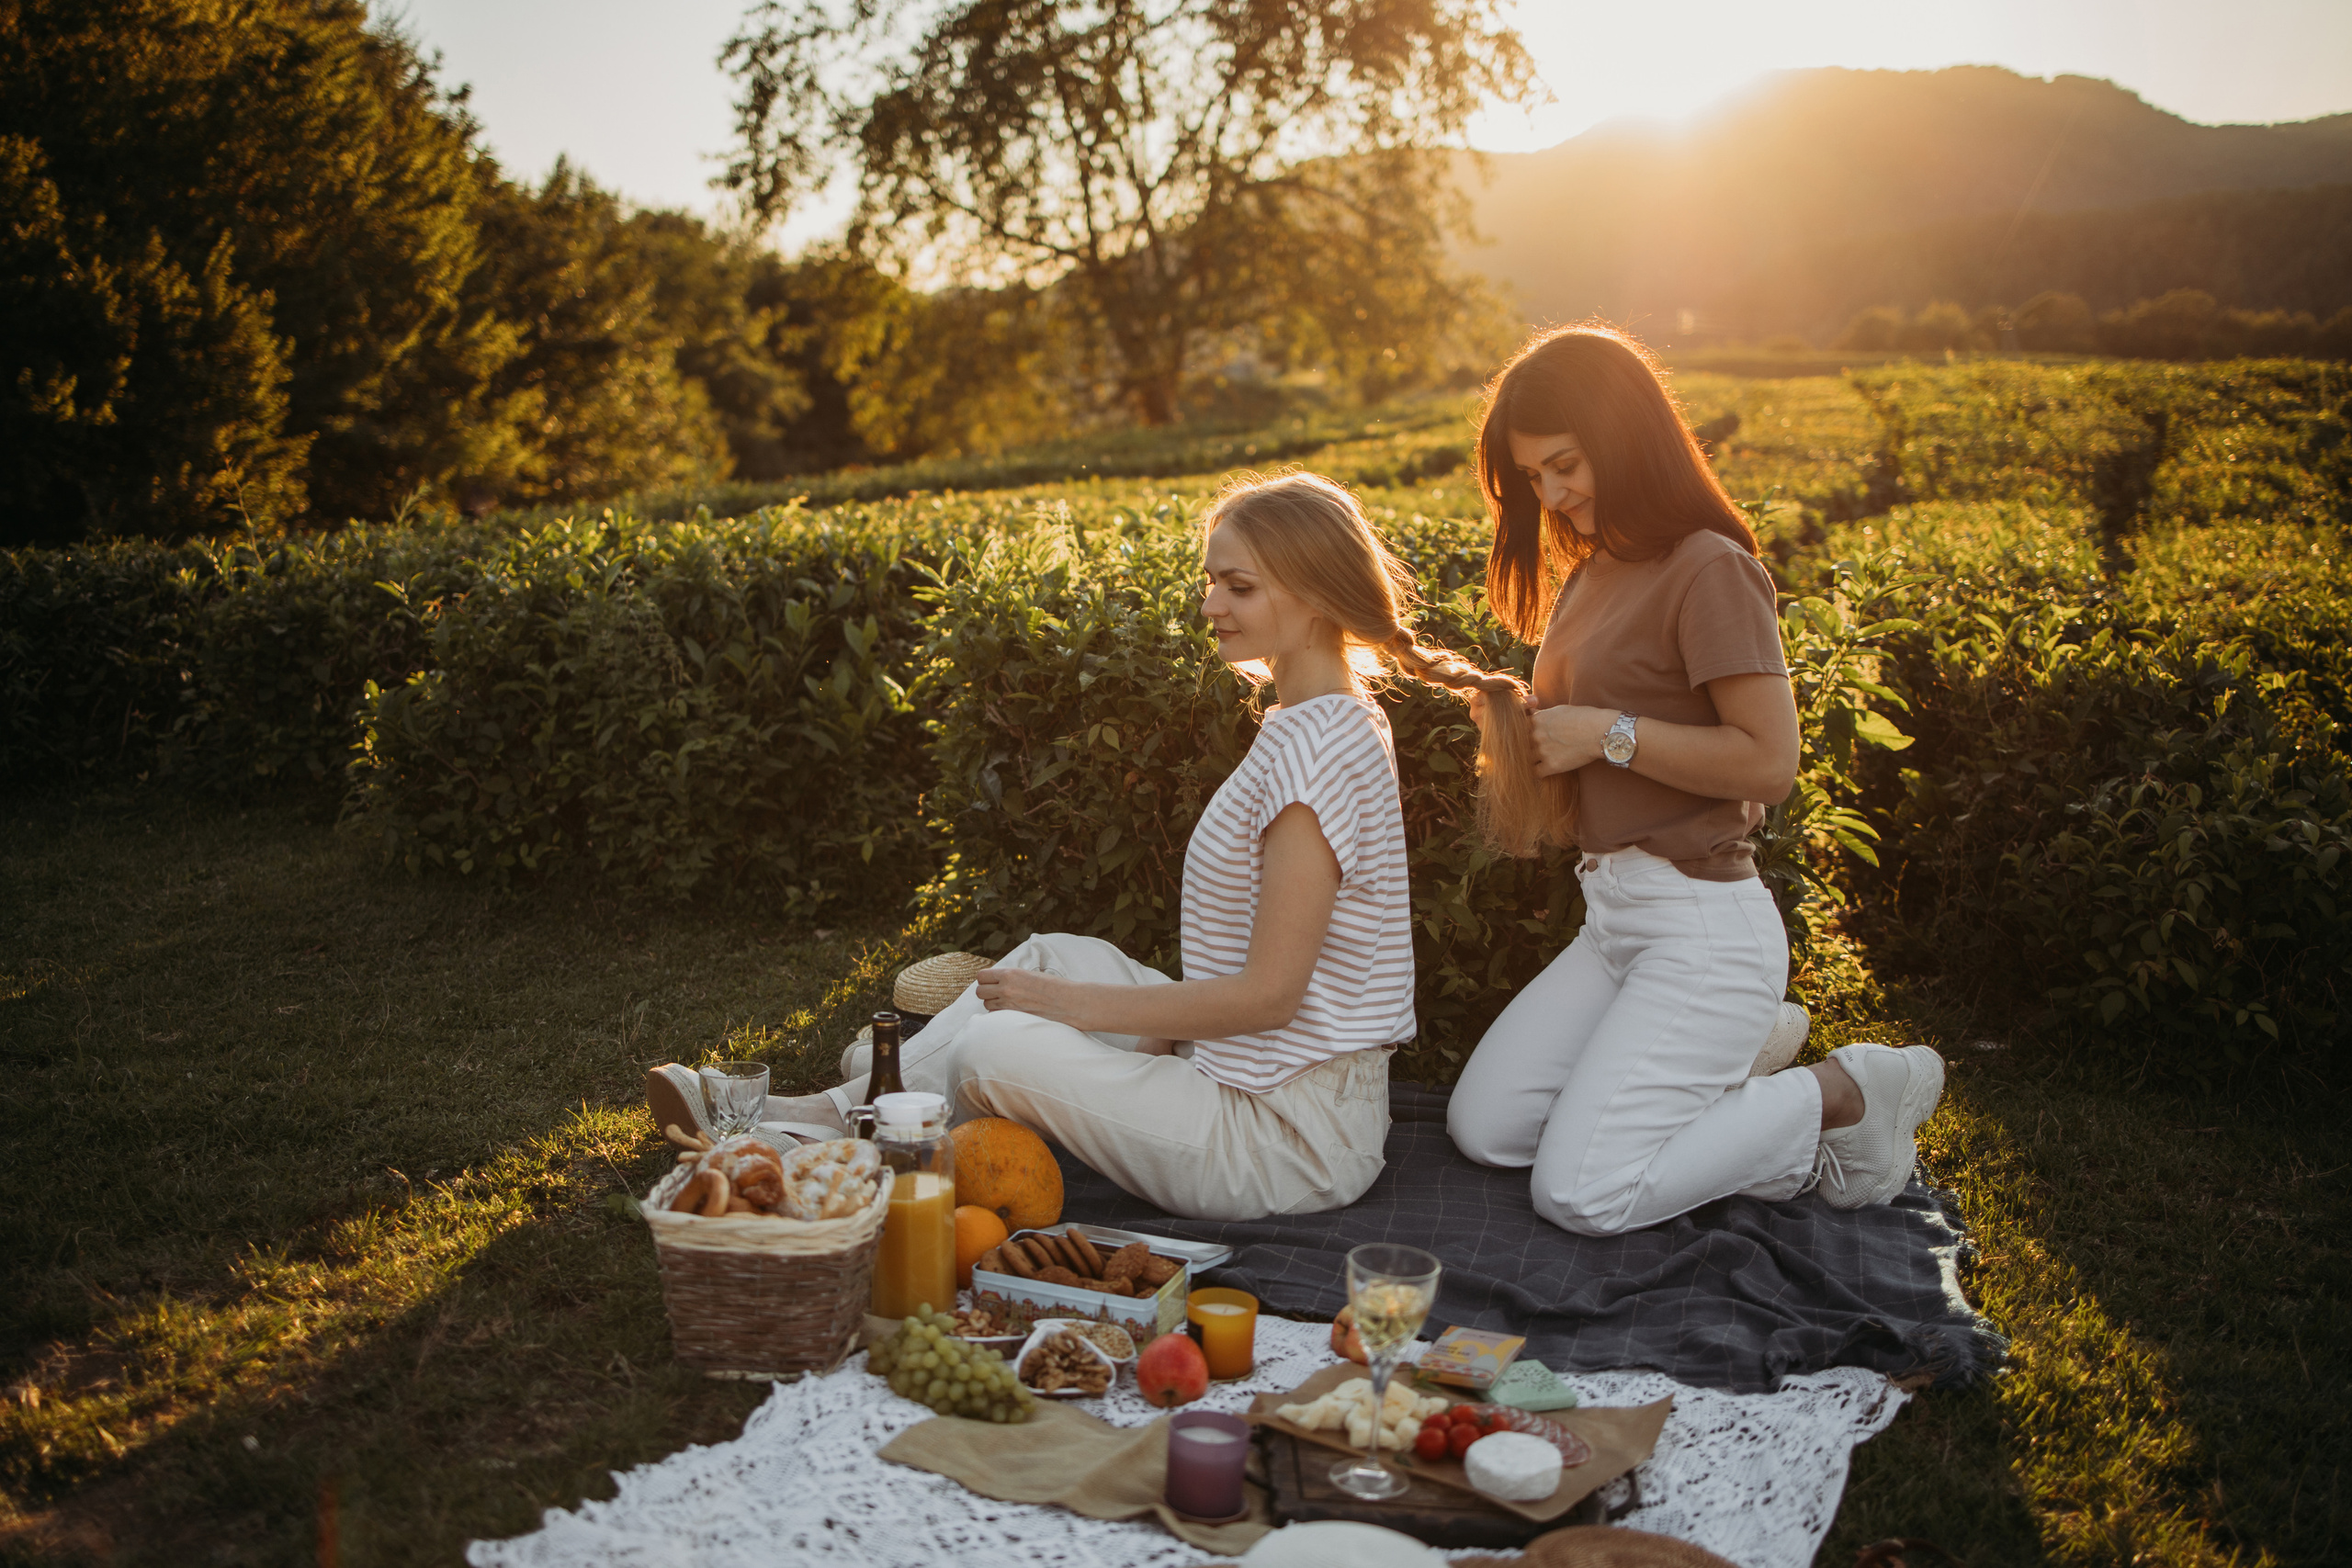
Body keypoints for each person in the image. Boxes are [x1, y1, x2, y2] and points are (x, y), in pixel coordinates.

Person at [653, 471, 1529, 1222]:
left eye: (1240, 587)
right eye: (1211, 581)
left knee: (991, 1045)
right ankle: (827, 1108)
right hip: (1257, 1072)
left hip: (1287, 1139)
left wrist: (1069, 1012)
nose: (1210, 604)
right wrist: (1069, 1000)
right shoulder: (1319, 715)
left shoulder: (1317, 751)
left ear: (1314, 597)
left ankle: (829, 1115)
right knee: (1048, 956)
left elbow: (1269, 996)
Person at [1444, 324, 1945, 1235]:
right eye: (1531, 478)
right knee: (1486, 1128)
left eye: (1564, 464)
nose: (1551, 494)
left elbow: (1767, 760)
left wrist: (1606, 734)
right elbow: (1598, 725)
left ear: (1623, 435)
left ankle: (1847, 1092)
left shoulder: (1710, 568)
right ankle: (1732, 1068)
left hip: (1702, 930)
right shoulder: (1593, 572)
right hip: (1613, 922)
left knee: (1581, 1193)